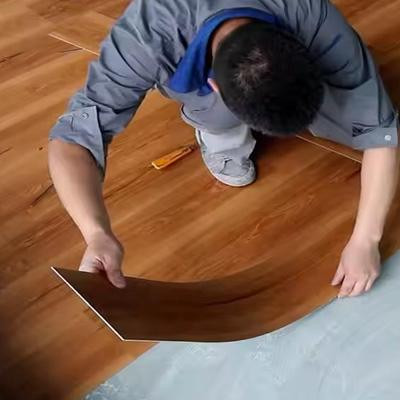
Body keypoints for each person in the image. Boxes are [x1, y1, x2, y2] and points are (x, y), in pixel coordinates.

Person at [48, 0, 399, 298]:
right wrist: (96, 233)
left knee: (355, 113)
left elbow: (381, 133)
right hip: (192, 65)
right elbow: (72, 139)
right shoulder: (146, 38)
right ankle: (216, 128)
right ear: (214, 85)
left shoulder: (311, 13)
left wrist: (366, 240)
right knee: (216, 115)